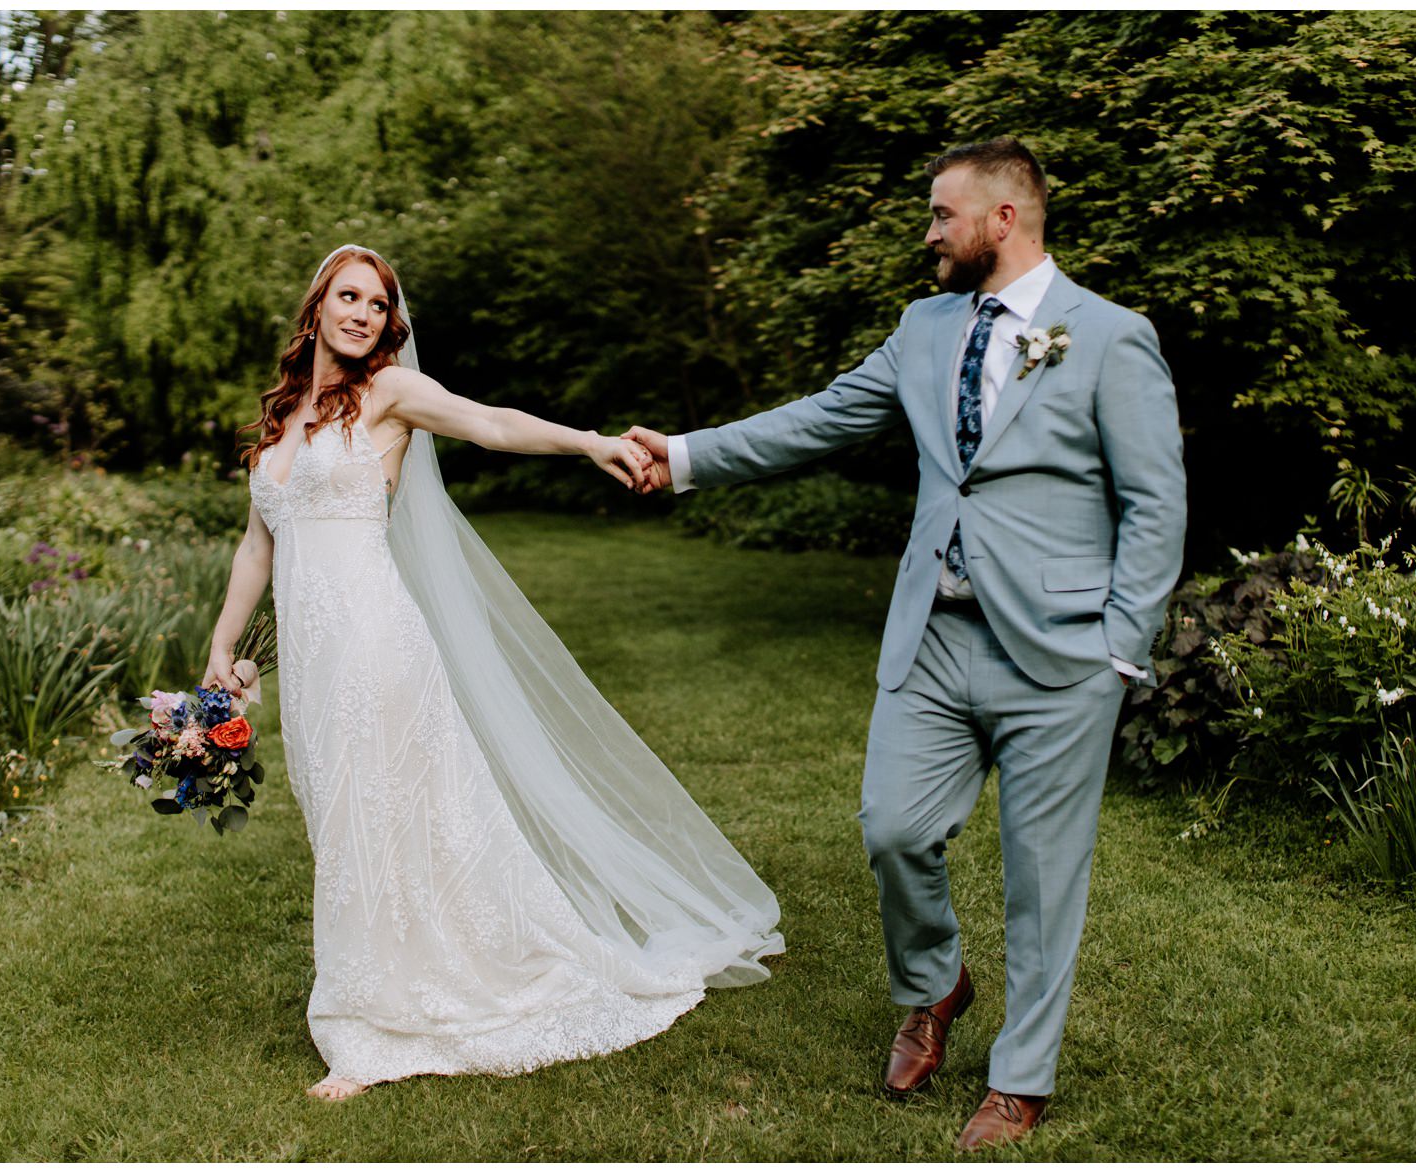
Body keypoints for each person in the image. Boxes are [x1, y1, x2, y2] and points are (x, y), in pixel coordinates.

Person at [627, 138, 1186, 1151]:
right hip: (935, 632)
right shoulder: (925, 328)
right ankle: (936, 985)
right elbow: (826, 418)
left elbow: (1156, 502)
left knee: (1041, 877)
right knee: (890, 828)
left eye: (941, 216)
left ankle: (1021, 1079)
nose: (928, 234)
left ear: (1003, 220)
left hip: (1060, 655)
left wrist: (1119, 646)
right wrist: (686, 456)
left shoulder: (1109, 337)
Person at [202, 245, 783, 1101]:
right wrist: (222, 648)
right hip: (318, 667)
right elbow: (260, 543)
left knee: (382, 819)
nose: (363, 313)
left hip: (376, 643)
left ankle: (366, 1028)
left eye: (379, 303)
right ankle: (387, 991)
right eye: (349, 297)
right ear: (317, 306)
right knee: (345, 821)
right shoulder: (285, 415)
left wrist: (588, 442)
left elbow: (491, 421)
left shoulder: (390, 394)